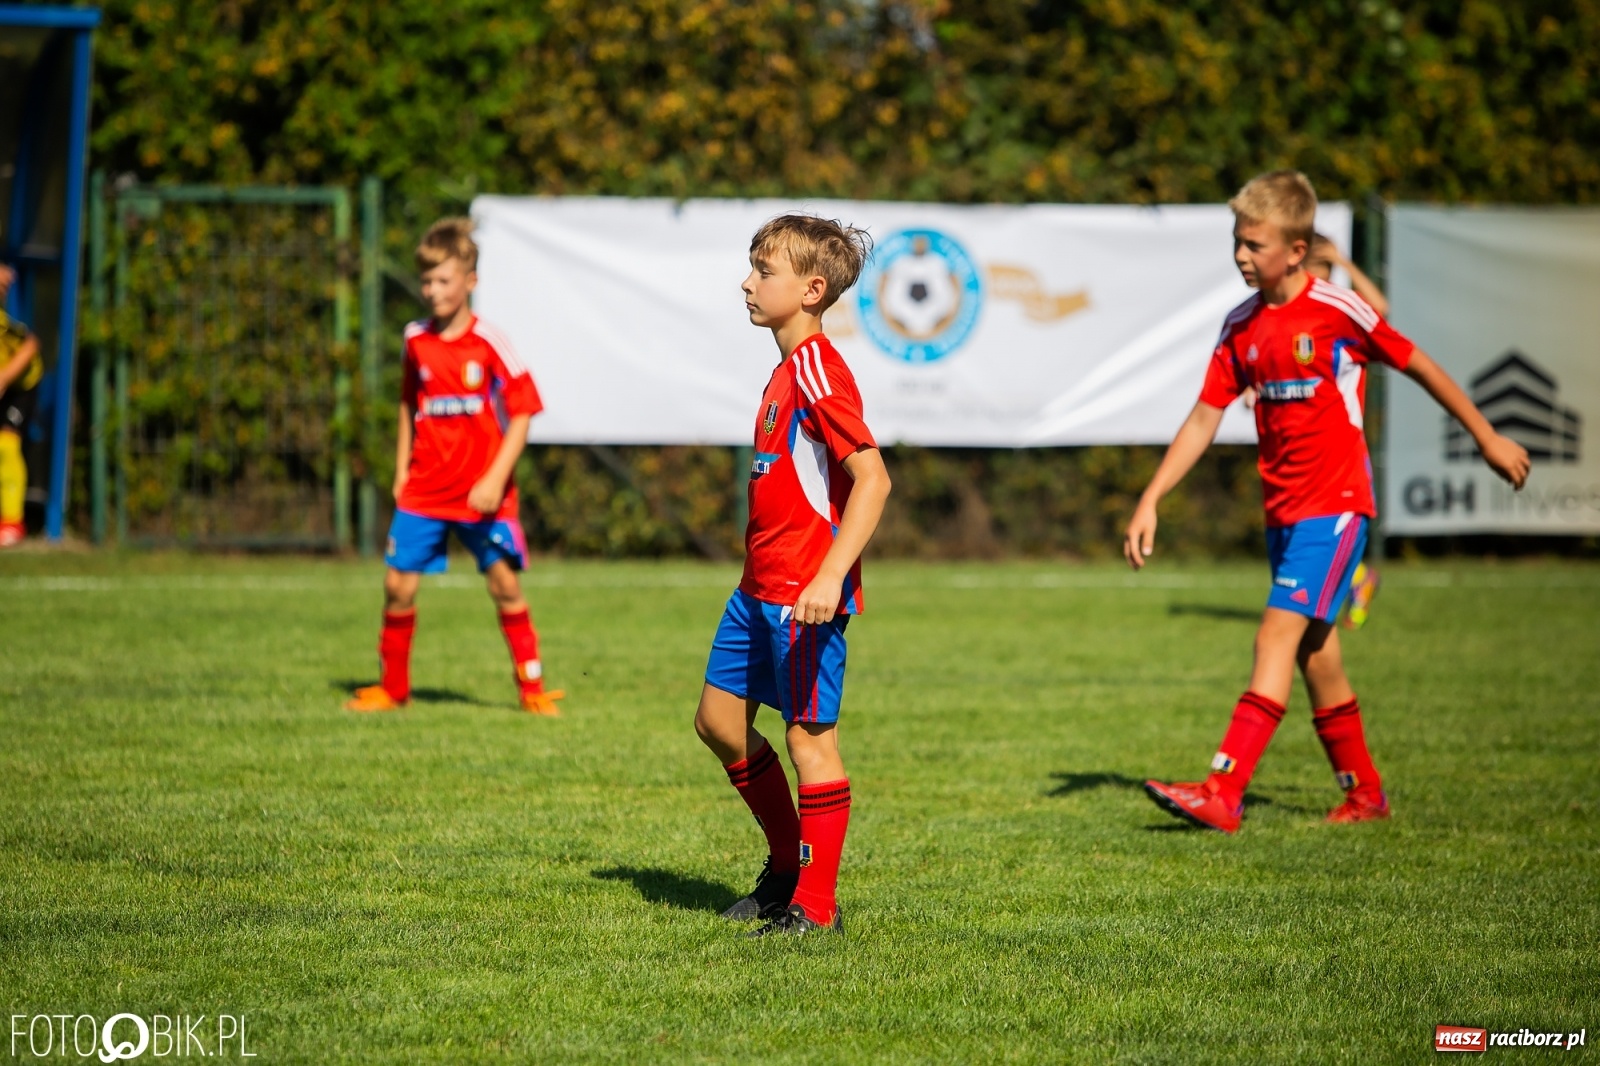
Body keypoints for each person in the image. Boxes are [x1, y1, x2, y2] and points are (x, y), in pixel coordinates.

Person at [1125, 171, 1528, 833]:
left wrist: (1485, 436)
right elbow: (1203, 418)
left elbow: (1418, 362)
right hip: (1282, 515)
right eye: (1236, 241)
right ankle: (1365, 794)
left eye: (1254, 243)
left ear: (1296, 248)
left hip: (1336, 505)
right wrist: (1151, 498)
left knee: (1274, 637)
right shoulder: (1240, 327)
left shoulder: (1339, 312)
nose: (1240, 255)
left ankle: (1223, 790)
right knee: (1319, 655)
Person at [693, 215, 890, 936]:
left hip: (805, 596)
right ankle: (785, 869)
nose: (748, 282)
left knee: (812, 743)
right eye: (751, 267)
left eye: (763, 271)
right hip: (757, 592)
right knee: (717, 723)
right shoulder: (783, 369)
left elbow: (873, 480)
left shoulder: (816, 369)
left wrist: (831, 577)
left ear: (811, 290)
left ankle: (816, 904)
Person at [345, 219, 563, 715]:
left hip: (481, 493)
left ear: (470, 281)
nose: (432, 290)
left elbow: (525, 410)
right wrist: (402, 468)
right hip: (425, 487)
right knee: (397, 585)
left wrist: (493, 478)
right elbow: (407, 403)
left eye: (443, 280)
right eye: (426, 281)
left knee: (505, 584)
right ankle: (393, 689)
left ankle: (531, 689)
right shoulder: (415, 338)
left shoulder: (490, 342)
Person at [1305, 233, 1386, 628]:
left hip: (1340, 456)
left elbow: (1381, 310)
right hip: (1302, 455)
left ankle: (1353, 582)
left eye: (1324, 268)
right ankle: (1358, 579)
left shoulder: (1341, 312)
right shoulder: (1296, 315)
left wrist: (1347, 262)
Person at [0, 264, 41, 547]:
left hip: (22, 385)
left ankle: (12, 524)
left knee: (6, 446)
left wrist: (4, 377)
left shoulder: (3, 325)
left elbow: (31, 345)